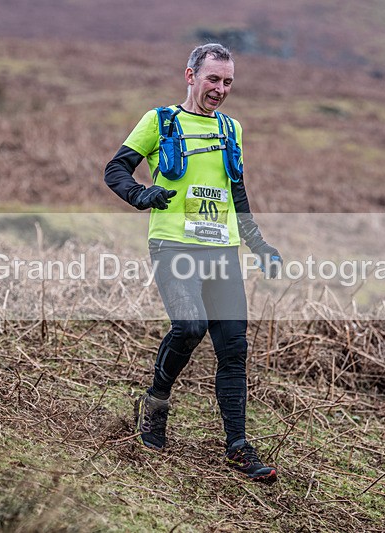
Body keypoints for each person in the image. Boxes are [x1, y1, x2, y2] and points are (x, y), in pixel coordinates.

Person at [104, 43, 281, 484]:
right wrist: (141, 194)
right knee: (189, 326)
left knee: (233, 348)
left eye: (228, 82)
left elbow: (236, 193)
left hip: (222, 250)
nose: (220, 89)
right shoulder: (161, 121)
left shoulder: (231, 129)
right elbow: (116, 170)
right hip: (173, 246)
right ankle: (155, 405)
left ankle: (238, 446)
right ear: (190, 76)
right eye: (213, 79)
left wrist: (258, 244)